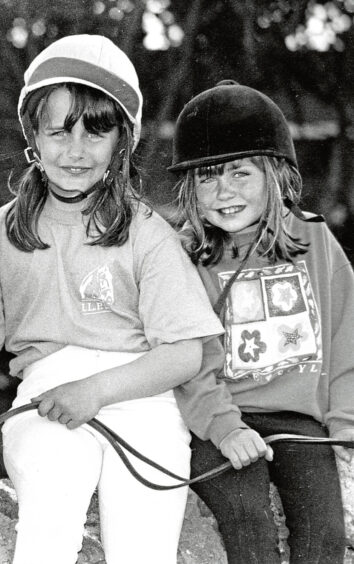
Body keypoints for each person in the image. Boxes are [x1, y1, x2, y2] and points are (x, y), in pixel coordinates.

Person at [0, 34, 223, 563]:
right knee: (49, 516)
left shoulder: (149, 234)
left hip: (142, 397)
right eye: (58, 130)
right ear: (32, 135)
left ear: (122, 142)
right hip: (48, 395)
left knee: (145, 548)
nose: (75, 150)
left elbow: (183, 354)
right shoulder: (0, 232)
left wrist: (97, 391)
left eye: (96, 132)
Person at [170, 80, 354, 564]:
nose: (223, 191)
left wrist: (345, 426)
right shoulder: (183, 257)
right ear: (190, 186)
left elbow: (344, 338)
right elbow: (187, 359)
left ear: (274, 175)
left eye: (239, 173)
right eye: (207, 177)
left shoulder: (313, 240)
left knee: (323, 536)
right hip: (220, 419)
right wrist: (226, 427)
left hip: (300, 424)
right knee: (247, 521)